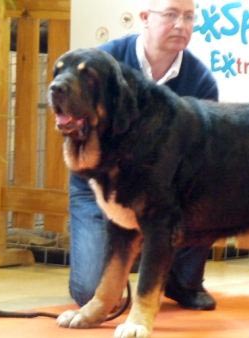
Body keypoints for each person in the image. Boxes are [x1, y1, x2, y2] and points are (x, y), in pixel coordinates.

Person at [68, 0, 218, 311]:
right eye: (172, 15)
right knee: (88, 291)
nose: (181, 25)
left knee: (200, 196)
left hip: (167, 192)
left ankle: (181, 280)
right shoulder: (104, 62)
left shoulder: (201, 80)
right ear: (145, 18)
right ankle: (132, 264)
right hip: (101, 189)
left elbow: (200, 156)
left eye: (189, 17)